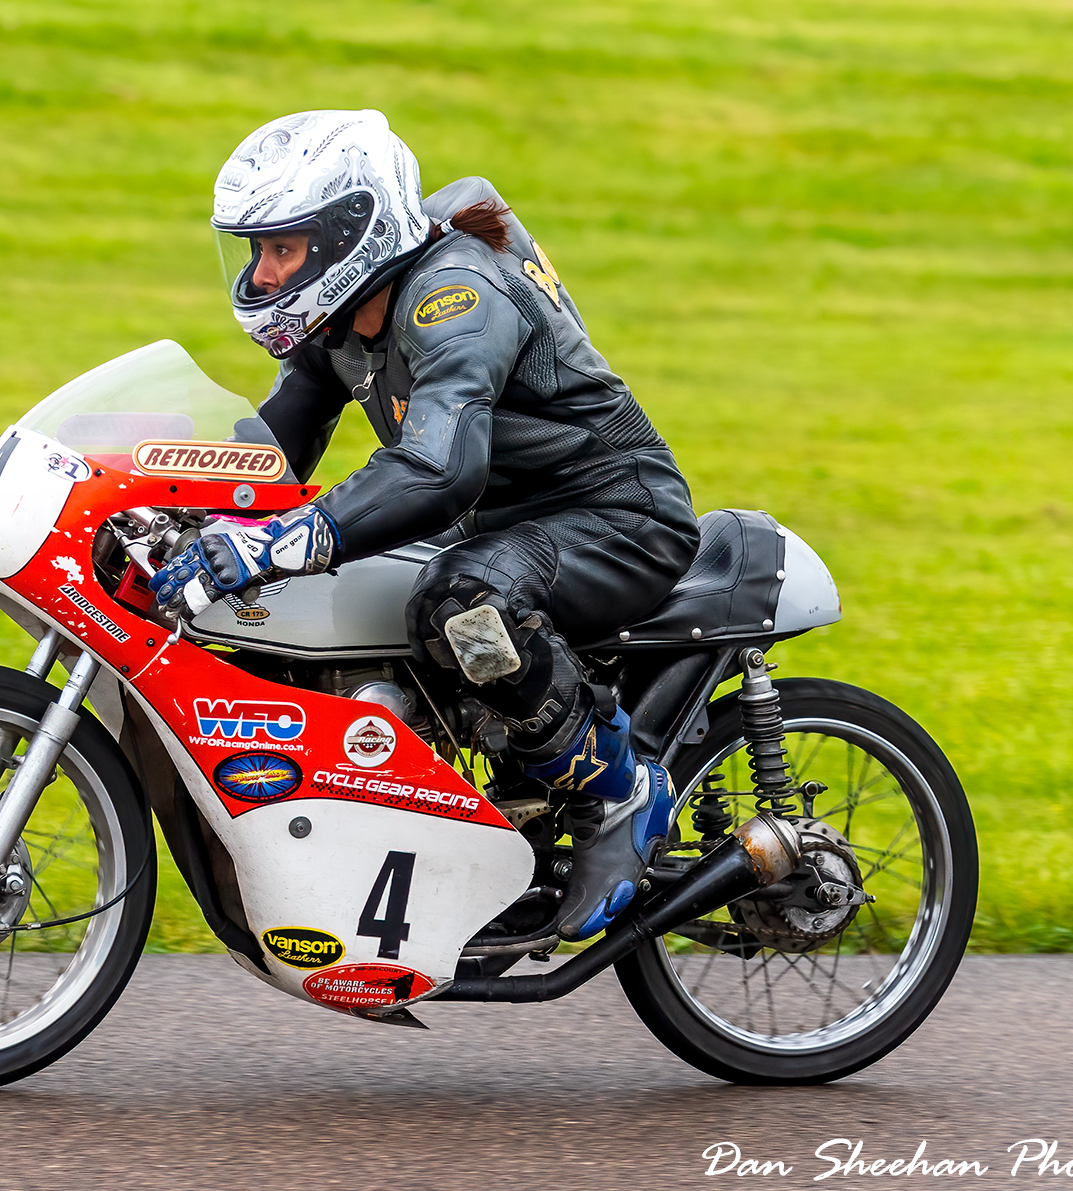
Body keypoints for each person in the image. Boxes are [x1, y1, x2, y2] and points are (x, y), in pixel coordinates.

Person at [151, 109, 700, 940]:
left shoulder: (455, 298)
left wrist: (280, 543)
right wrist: (164, 507)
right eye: (256, 250)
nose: (262, 275)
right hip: (499, 523)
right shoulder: (338, 318)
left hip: (611, 514)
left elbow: (440, 470)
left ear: (349, 237)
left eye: (281, 249)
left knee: (460, 603)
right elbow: (271, 451)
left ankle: (616, 792)